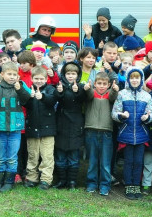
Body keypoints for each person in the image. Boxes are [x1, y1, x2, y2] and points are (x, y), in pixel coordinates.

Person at [0, 62, 31, 193]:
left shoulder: (20, 86)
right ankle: (0, 182)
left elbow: (28, 97)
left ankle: (9, 182)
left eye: (14, 74)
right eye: (9, 74)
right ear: (2, 74)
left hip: (15, 128)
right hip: (0, 127)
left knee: (12, 156)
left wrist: (20, 88)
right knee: (1, 156)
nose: (12, 77)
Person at [112, 67, 152, 200]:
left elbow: (151, 113)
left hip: (142, 134)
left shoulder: (147, 96)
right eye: (132, 77)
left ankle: (136, 184)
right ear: (128, 79)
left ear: (141, 79)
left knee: (138, 162)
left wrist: (147, 118)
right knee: (129, 161)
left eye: (137, 77)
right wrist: (121, 115)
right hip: (127, 133)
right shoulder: (122, 94)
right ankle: (128, 185)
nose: (134, 80)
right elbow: (114, 113)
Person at [83, 72, 119, 196]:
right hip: (91, 130)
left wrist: (114, 90)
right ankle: (91, 183)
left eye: (104, 84)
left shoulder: (110, 95)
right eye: (99, 83)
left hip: (106, 132)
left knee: (105, 162)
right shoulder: (92, 93)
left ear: (109, 85)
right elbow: (87, 95)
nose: (102, 86)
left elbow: (113, 98)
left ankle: (105, 185)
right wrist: (86, 89)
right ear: (94, 84)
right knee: (92, 160)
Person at [22, 67, 57, 190]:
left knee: (47, 156)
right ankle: (32, 178)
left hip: (48, 129)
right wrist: (29, 97)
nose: (39, 81)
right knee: (33, 155)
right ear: (31, 79)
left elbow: (52, 100)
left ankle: (46, 180)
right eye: (36, 78)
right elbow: (24, 103)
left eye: (41, 78)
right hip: (32, 128)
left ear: (46, 79)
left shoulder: (50, 89)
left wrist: (41, 96)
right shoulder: (28, 90)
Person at [54, 62, 86, 190]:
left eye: (73, 73)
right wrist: (59, 93)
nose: (71, 76)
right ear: (64, 74)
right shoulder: (59, 86)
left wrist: (78, 92)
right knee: (60, 155)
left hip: (76, 123)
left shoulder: (81, 87)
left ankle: (72, 181)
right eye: (68, 73)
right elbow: (54, 99)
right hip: (61, 122)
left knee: (73, 155)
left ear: (78, 75)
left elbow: (85, 98)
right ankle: (62, 180)